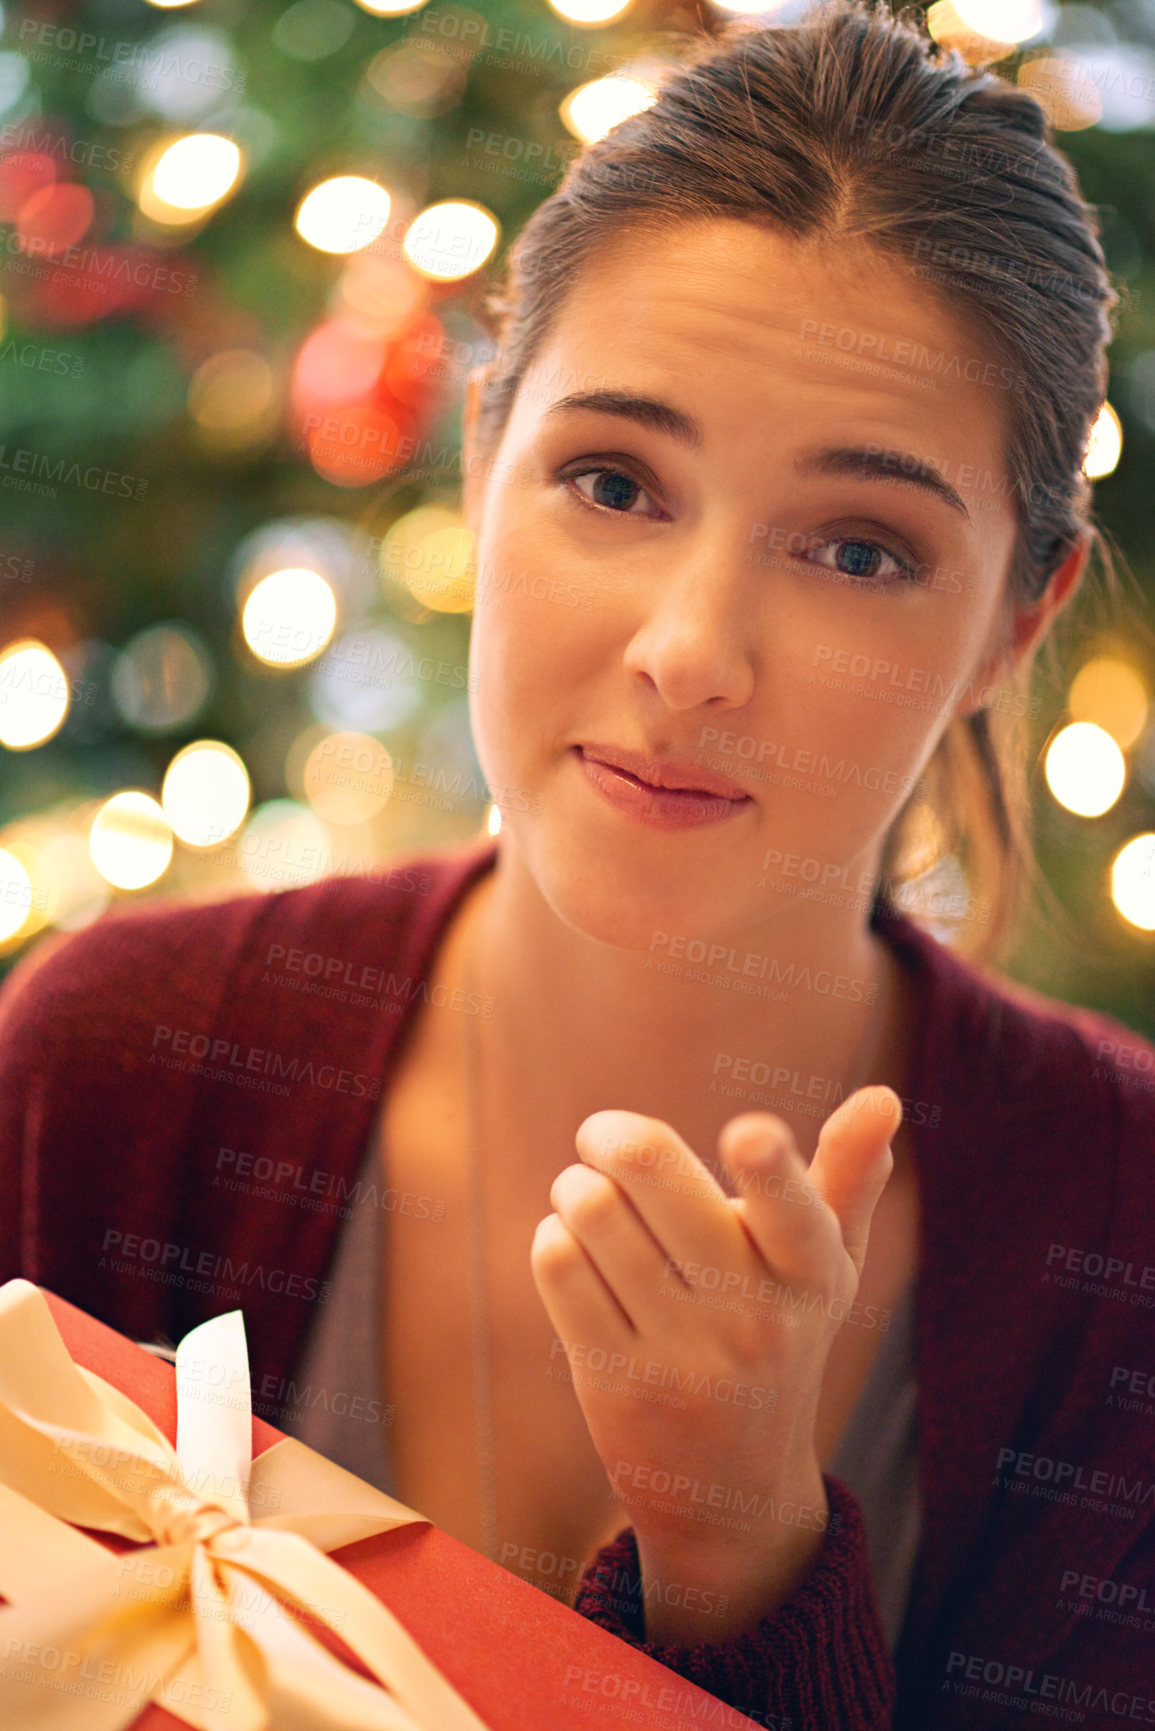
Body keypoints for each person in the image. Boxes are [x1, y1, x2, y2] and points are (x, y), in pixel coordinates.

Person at [1, 3, 1152, 1727]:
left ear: (1015, 624)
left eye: (860, 547)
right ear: (482, 464)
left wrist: (747, 1558)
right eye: (613, 482)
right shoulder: (116, 1062)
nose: (693, 652)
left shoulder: (1119, 1239)